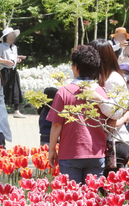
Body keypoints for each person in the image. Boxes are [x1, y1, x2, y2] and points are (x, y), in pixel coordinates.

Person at [47, 45, 124, 185]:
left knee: (71, 199)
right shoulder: (101, 92)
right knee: (91, 199)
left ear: (75, 67)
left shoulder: (64, 92)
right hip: (96, 153)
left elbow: (57, 124)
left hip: (70, 153)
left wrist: (51, 149)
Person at [89, 39, 129, 174]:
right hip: (105, 142)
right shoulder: (101, 77)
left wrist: (99, 99)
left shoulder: (113, 79)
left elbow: (114, 114)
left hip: (115, 143)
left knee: (112, 192)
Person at [0, 27, 26, 118]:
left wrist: (18, 59)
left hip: (13, 71)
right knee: (4, 90)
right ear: (6, 37)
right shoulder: (0, 46)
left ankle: (17, 110)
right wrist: (6, 61)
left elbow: (14, 57)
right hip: (5, 71)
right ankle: (2, 110)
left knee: (16, 90)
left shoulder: (14, 47)